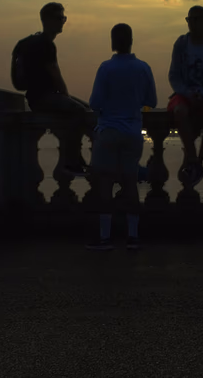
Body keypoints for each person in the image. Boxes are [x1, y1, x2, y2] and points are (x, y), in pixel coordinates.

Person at [87, 24, 156, 251]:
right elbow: (152, 101)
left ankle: (105, 238)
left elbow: (95, 103)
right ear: (131, 41)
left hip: (108, 131)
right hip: (132, 133)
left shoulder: (105, 68)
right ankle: (133, 236)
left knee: (105, 185)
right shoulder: (143, 68)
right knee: (130, 184)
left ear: (113, 42)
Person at [11, 2, 89, 176]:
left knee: (86, 108)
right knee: (81, 112)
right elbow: (55, 74)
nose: (63, 22)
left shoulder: (26, 43)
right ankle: (71, 160)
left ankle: (76, 156)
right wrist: (66, 96)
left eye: (64, 18)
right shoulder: (46, 44)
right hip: (43, 98)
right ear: (47, 20)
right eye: (60, 18)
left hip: (36, 97)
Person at [167, 5, 203, 188]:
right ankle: (192, 159)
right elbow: (174, 75)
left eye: (197, 19)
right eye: (190, 19)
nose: (192, 23)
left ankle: (198, 160)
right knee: (179, 111)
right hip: (184, 94)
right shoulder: (181, 44)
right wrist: (187, 92)